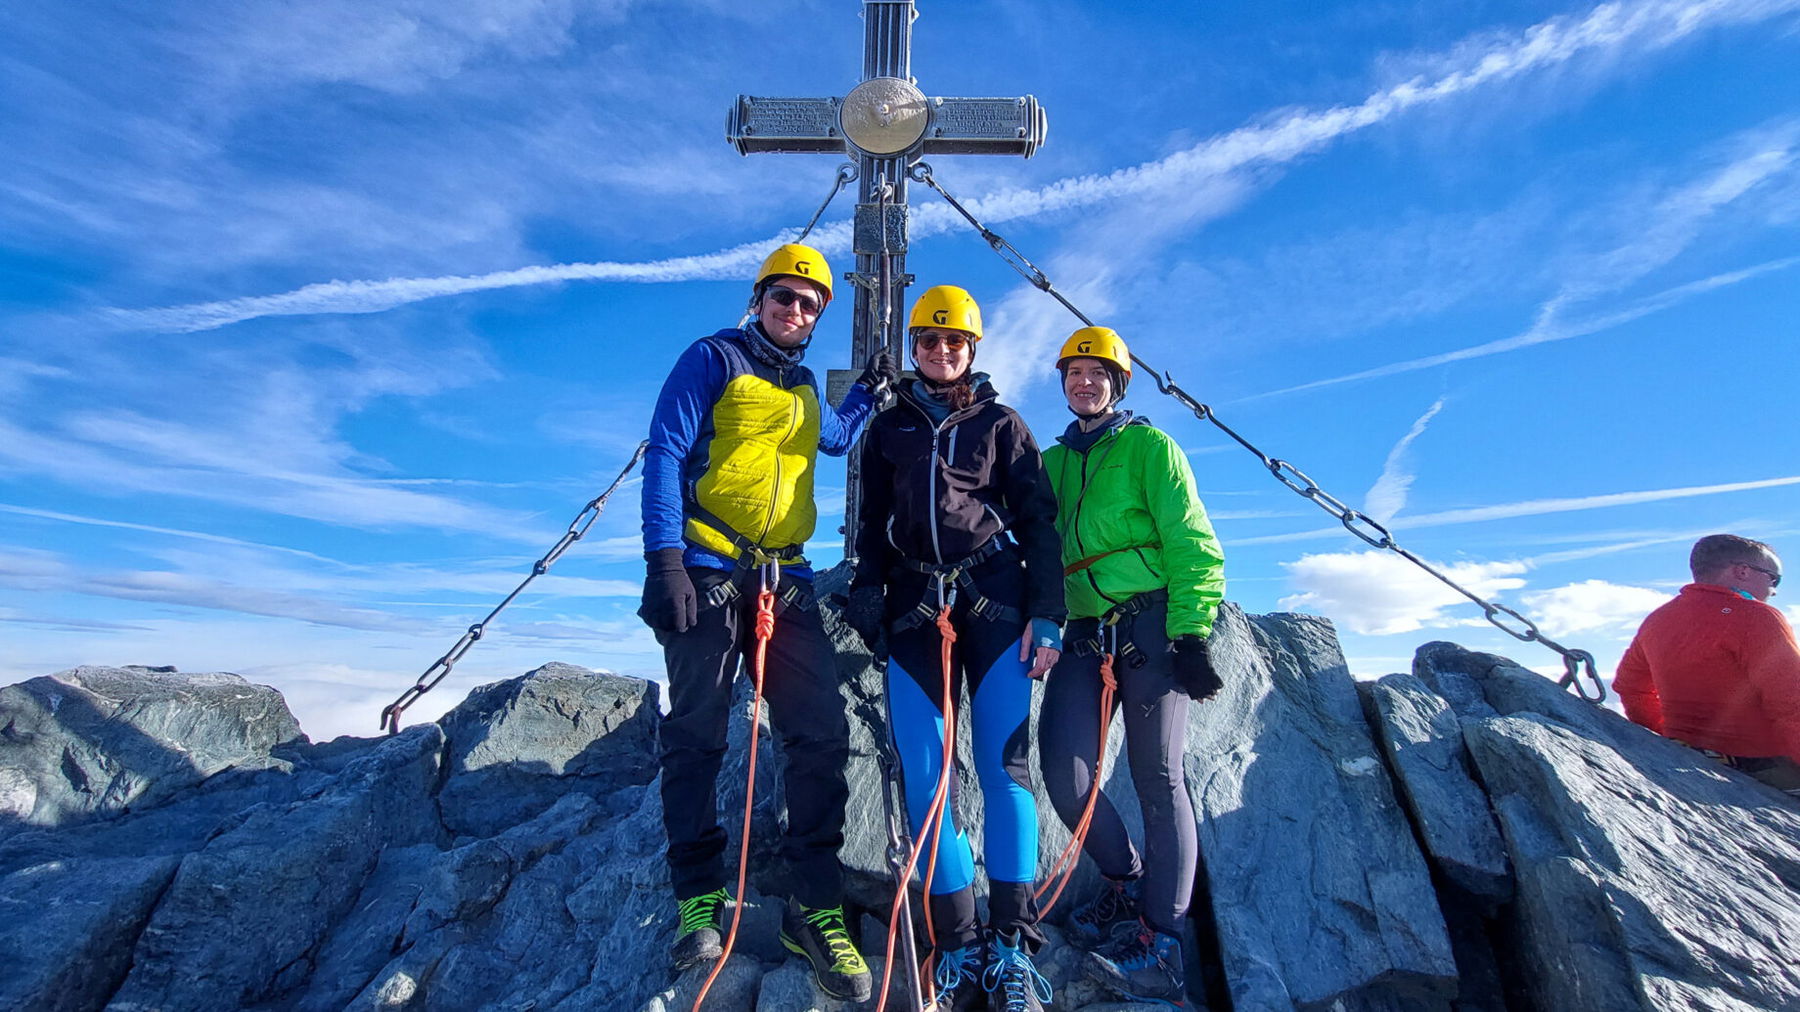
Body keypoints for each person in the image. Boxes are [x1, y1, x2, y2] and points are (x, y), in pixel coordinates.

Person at [638, 242, 896, 1001]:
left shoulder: (805, 383)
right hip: (710, 569)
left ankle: (812, 906)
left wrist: (867, 399)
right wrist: (665, 563)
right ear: (760, 300)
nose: (795, 310)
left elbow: (831, 441)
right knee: (697, 734)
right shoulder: (712, 358)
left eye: (809, 302)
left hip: (786, 579)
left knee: (818, 734)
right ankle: (698, 897)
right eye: (784, 297)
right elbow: (665, 454)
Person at [845, 285, 1064, 1012]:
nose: (942, 352)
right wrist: (867, 594)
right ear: (913, 348)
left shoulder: (1002, 424)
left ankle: (1012, 947)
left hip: (994, 600)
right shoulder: (888, 430)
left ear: (973, 350)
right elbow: (870, 523)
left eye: (955, 343)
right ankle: (959, 941)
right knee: (926, 775)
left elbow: (1038, 523)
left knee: (1005, 771)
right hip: (913, 605)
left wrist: (1048, 614)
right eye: (930, 342)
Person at [1036, 326, 1225, 1007]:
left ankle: (1164, 942)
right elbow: (1033, 543)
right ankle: (1125, 884)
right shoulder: (1052, 464)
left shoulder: (1149, 447)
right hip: (1085, 630)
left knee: (1158, 776)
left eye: (1097, 373)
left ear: (1118, 384)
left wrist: (1192, 634)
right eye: (1073, 372)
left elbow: (1191, 541)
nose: (1084, 382)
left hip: (1150, 622)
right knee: (1065, 773)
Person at [1614, 534, 1800, 795]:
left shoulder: (1658, 619)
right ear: (1743, 571)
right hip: (1763, 766)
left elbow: (1630, 688)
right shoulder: (1757, 617)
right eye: (1774, 578)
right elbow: (1792, 703)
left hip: (1689, 753)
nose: (1774, 589)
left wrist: (1668, 738)